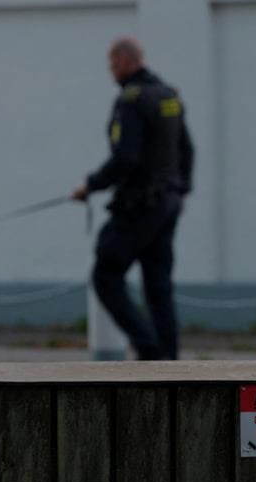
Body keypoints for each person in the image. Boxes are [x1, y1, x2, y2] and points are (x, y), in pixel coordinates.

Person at [72, 37, 194, 360]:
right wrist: (181, 191)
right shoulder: (168, 96)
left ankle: (149, 349)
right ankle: (168, 362)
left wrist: (90, 185)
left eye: (113, 64)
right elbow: (187, 151)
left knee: (105, 275)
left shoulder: (132, 99)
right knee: (158, 285)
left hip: (139, 206)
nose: (111, 71)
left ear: (126, 60)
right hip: (167, 206)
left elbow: (126, 158)